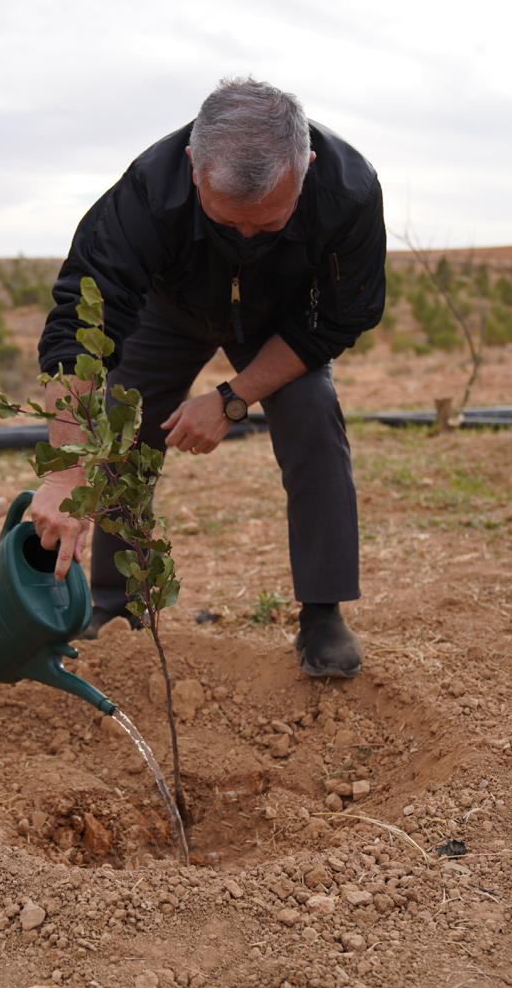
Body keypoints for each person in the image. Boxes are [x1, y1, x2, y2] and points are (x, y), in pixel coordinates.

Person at [33, 77, 386, 678]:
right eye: (228, 222)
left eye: (267, 224)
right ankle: (116, 606)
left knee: (313, 421)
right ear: (195, 165)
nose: (246, 236)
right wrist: (67, 471)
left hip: (285, 324)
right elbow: (79, 327)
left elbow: (339, 320)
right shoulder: (147, 191)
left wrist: (231, 399)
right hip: (170, 313)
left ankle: (323, 613)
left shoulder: (349, 191)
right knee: (125, 425)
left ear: (307, 167)